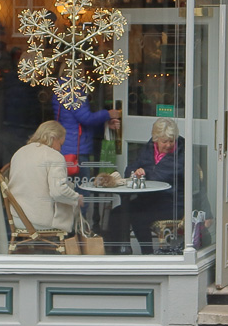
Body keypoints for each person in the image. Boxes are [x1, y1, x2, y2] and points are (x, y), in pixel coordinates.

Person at [105, 118, 185, 254]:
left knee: (138, 217)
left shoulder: (182, 153)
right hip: (149, 200)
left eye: (171, 141)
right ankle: (118, 253)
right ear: (156, 139)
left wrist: (145, 173)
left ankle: (147, 255)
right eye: (164, 141)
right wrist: (135, 172)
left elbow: (169, 176)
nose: (168, 145)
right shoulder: (149, 148)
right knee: (116, 214)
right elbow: (131, 168)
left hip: (172, 203)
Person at [7, 121, 83, 234]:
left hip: (17, 219)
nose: (60, 149)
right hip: (40, 221)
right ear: (52, 138)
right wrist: (76, 198)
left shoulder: (19, 152)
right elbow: (58, 192)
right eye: (60, 144)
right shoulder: (54, 156)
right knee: (72, 206)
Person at [55, 97, 120, 167]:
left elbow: (76, 121)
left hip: (71, 144)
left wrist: (105, 124)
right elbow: (86, 118)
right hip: (76, 148)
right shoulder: (74, 95)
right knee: (81, 175)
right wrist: (108, 114)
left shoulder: (65, 93)